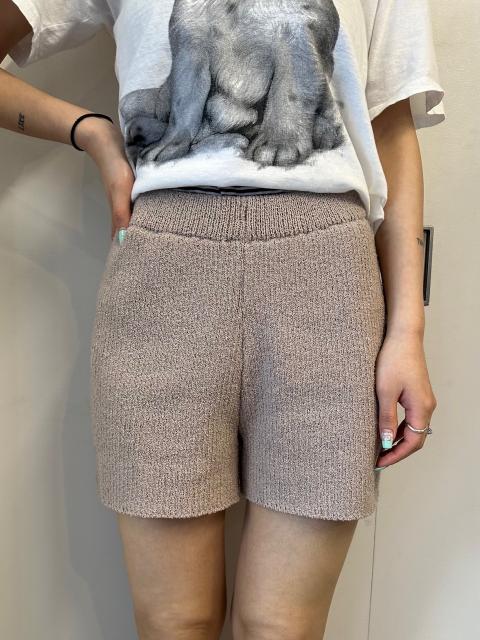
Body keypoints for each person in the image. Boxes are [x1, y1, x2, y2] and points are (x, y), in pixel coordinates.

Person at [1, 0, 444, 637]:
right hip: (162, 281)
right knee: (174, 624)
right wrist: (91, 131)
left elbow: (390, 127)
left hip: (326, 279)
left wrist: (408, 331)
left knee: (281, 627)